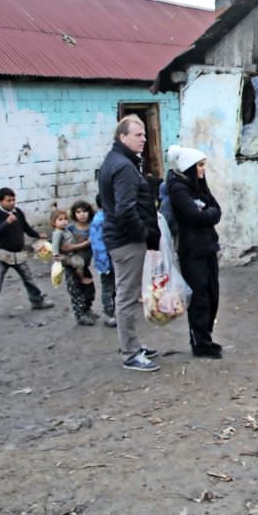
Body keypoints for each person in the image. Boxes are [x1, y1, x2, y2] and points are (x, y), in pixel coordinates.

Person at [98, 115, 161, 372]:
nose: (143, 139)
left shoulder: (117, 161)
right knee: (126, 296)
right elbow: (125, 210)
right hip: (127, 241)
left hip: (121, 239)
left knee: (129, 294)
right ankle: (131, 354)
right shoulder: (123, 166)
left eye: (145, 135)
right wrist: (143, 233)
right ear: (122, 137)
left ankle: (133, 345)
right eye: (138, 135)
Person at [166, 145, 223, 359]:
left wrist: (206, 212)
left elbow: (216, 210)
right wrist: (206, 213)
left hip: (207, 245)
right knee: (200, 297)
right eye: (199, 165)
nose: (202, 169)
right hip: (192, 249)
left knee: (212, 293)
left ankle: (206, 336)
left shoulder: (198, 185)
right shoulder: (179, 188)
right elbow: (195, 216)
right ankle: (200, 341)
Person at [0, 187, 54, 321]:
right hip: (2, 255)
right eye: (8, 200)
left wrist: (38, 234)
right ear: (0, 202)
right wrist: (6, 223)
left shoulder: (18, 212)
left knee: (28, 278)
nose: (12, 203)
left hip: (18, 254)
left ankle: (37, 301)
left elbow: (26, 228)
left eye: (13, 200)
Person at [50, 206, 97, 326]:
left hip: (80, 262)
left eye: (65, 219)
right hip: (70, 263)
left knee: (89, 289)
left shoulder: (68, 230)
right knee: (77, 292)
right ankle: (80, 315)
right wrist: (56, 254)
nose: (64, 221)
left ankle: (87, 310)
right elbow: (60, 246)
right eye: (60, 219)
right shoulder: (60, 232)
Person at [89, 194, 117, 327]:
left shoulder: (106, 217)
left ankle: (114, 311)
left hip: (113, 260)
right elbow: (98, 245)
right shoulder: (100, 220)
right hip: (105, 261)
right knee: (108, 288)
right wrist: (104, 264)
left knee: (115, 287)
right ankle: (108, 313)